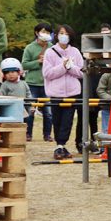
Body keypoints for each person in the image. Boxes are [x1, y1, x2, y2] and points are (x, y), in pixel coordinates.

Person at [42, 24, 85, 160]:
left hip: (72, 92)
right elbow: (47, 73)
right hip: (55, 92)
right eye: (61, 33)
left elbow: (81, 73)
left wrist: (70, 67)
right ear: (56, 35)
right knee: (57, 120)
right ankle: (59, 145)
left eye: (66, 34)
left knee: (68, 120)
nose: (63, 36)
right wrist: (62, 67)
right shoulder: (50, 52)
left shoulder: (76, 52)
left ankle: (61, 144)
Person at [22, 22, 55, 142]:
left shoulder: (52, 48)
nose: (45, 34)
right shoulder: (30, 47)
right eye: (43, 32)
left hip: (48, 84)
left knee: (48, 112)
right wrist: (38, 62)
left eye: (47, 32)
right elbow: (24, 64)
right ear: (36, 33)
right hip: (32, 84)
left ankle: (47, 135)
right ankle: (28, 134)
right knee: (30, 111)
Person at [0, 58, 34, 123]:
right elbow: (1, 96)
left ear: (18, 72)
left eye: (13, 72)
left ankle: (27, 133)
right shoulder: (4, 85)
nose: (10, 74)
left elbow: (28, 95)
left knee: (27, 121)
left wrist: (31, 106)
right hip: (10, 108)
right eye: (7, 73)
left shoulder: (23, 83)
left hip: (23, 108)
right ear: (4, 75)